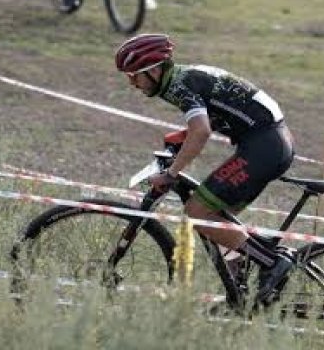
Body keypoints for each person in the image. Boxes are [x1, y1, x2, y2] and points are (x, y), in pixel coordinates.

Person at [115, 33, 297, 304]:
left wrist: (171, 173)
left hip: (264, 147)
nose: (132, 83)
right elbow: (209, 118)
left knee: (197, 212)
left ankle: (272, 264)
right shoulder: (184, 77)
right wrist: (177, 141)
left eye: (134, 76)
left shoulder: (178, 85)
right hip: (270, 143)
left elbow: (201, 131)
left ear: (153, 70)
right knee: (219, 221)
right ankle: (241, 296)